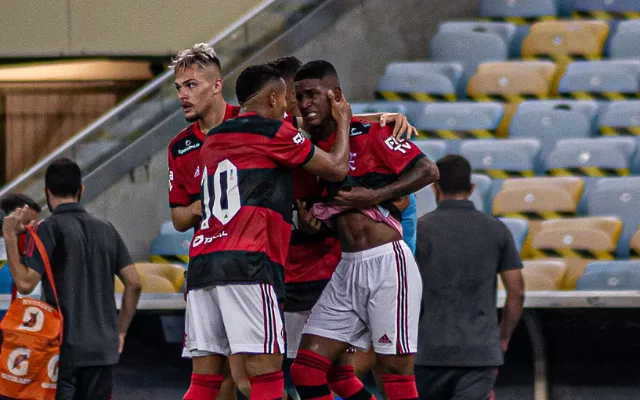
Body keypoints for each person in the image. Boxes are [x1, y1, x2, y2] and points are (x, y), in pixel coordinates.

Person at [182, 63, 354, 400]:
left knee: (204, 382)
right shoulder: (271, 132)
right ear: (274, 98)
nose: (291, 107)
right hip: (249, 265)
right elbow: (335, 168)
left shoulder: (214, 137)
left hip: (203, 263)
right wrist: (345, 122)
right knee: (266, 375)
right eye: (288, 99)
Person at [289, 60, 439, 400]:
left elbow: (428, 170)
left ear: (336, 96)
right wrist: (312, 225)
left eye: (313, 94)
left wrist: (376, 195)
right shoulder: (309, 150)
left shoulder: (370, 133)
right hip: (347, 267)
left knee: (395, 373)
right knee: (306, 369)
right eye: (299, 96)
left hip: (388, 263)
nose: (305, 103)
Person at [2, 158, 142, 400]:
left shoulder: (49, 228)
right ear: (81, 190)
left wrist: (9, 236)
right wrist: (119, 332)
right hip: (103, 350)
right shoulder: (107, 228)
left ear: (47, 191)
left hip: (63, 350)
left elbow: (25, 283)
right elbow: (134, 283)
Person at [414, 155, 525, 400]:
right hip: (479, 352)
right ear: (472, 187)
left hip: (428, 351)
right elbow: (516, 292)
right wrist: (503, 337)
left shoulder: (419, 230)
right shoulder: (496, 229)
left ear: (435, 187)